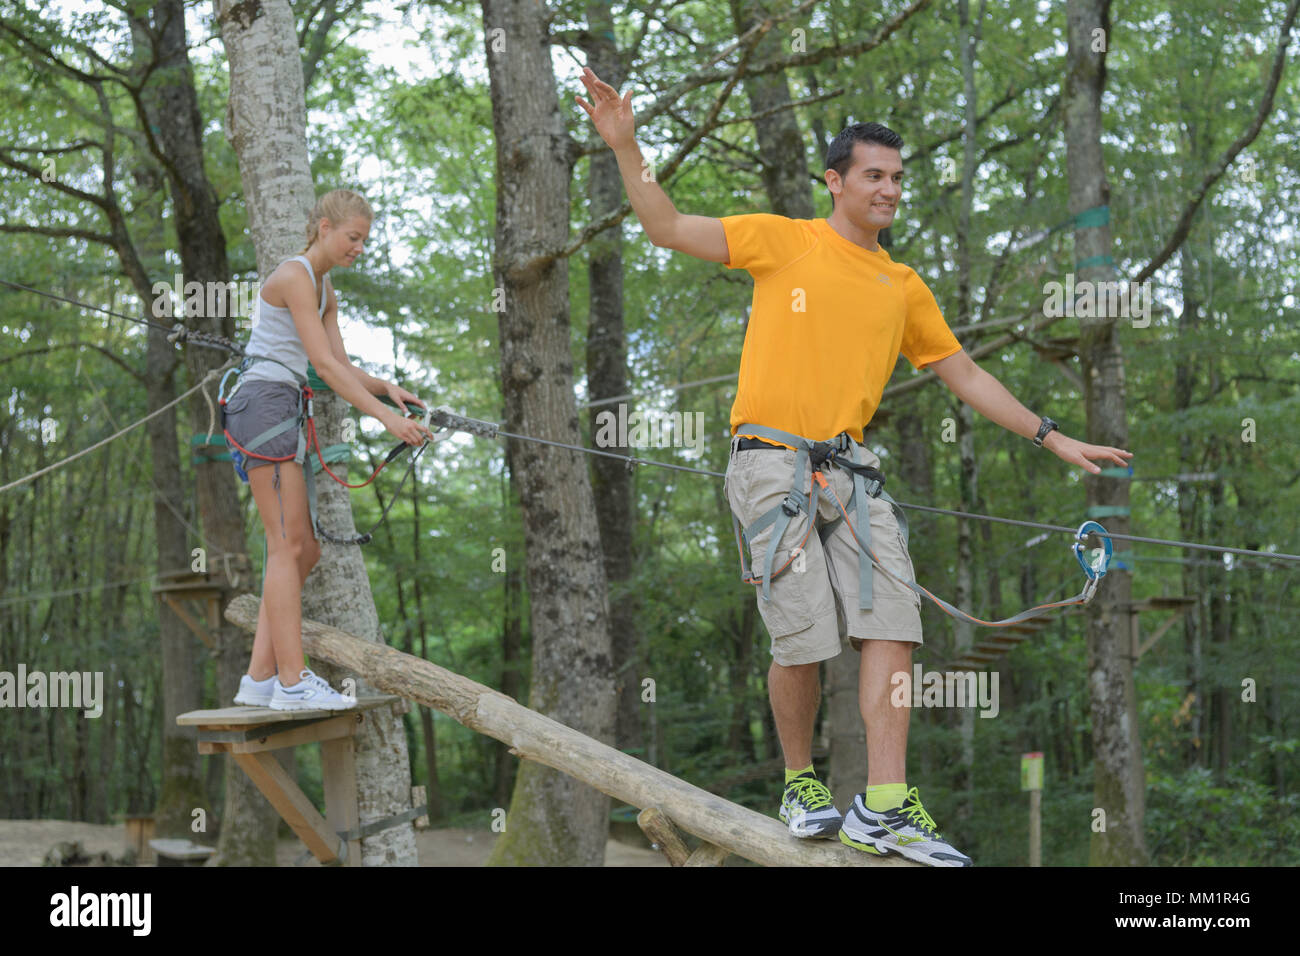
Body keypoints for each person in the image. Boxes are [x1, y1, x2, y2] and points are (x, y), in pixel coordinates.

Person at [577, 68, 1132, 866]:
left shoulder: (902, 285)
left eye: (898, 178)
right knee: (803, 638)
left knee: (894, 630)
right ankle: (801, 781)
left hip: (854, 470)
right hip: (771, 460)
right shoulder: (784, 240)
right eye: (874, 175)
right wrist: (629, 150)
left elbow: (965, 373)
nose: (889, 189)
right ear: (835, 182)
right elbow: (665, 227)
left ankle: (884, 807)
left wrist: (1053, 435)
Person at [224, 189, 432, 712]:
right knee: (284, 544)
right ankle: (292, 684)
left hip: (284, 407)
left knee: (305, 548)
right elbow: (326, 367)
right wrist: (386, 419)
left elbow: (339, 362)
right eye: (352, 237)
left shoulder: (323, 287)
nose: (359, 247)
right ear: (323, 228)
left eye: (365, 240)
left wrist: (386, 388)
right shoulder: (295, 276)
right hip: (263, 403)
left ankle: (258, 679)